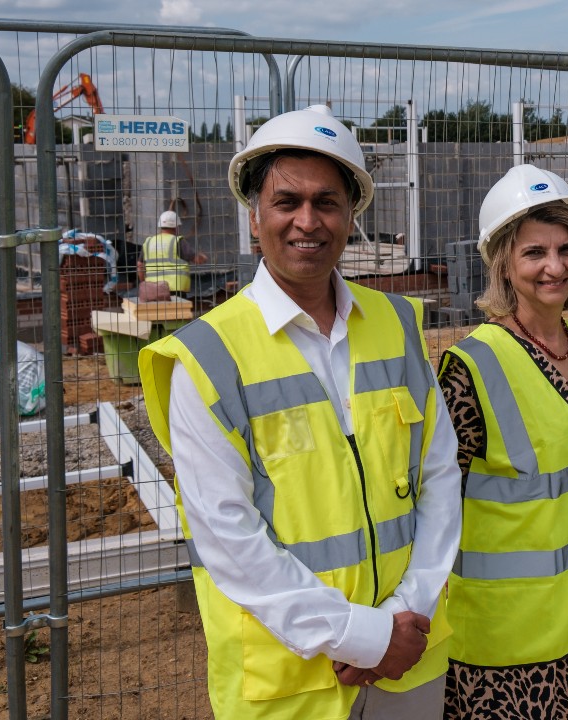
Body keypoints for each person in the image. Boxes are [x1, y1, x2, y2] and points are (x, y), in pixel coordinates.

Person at [138, 104, 462, 719]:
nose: (307, 221)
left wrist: (402, 617)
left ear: (351, 215)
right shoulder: (209, 356)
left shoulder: (395, 323)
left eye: (327, 202)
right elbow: (229, 536)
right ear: (255, 215)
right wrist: (361, 636)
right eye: (287, 201)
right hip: (291, 681)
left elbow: (440, 475)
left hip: (409, 658)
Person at [437, 164, 568, 718]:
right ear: (505, 267)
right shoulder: (470, 366)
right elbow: (436, 508)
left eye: (567, 249)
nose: (554, 267)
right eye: (534, 253)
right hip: (504, 645)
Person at [141, 210, 207, 296]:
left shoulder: (149, 242)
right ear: (176, 227)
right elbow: (197, 260)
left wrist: (144, 284)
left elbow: (140, 265)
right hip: (175, 290)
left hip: (153, 289)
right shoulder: (178, 242)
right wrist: (203, 257)